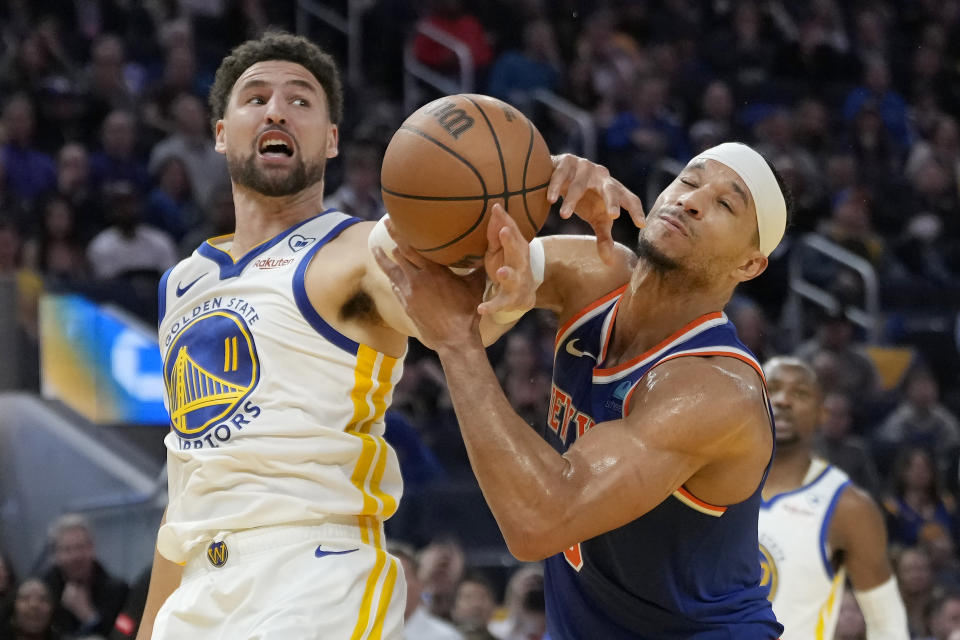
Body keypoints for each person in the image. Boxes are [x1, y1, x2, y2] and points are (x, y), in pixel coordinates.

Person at [137, 31, 628, 640]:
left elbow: (476, 283)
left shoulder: (360, 249)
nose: (276, 109)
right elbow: (187, 482)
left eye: (301, 100)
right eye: (255, 96)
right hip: (198, 593)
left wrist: (544, 190)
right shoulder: (183, 282)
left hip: (311, 580)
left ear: (332, 139)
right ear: (219, 131)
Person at [375, 141, 790, 637]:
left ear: (749, 265)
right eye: (689, 181)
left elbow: (538, 522)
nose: (693, 201)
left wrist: (460, 348)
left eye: (725, 204)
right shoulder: (593, 271)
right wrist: (525, 184)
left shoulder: (714, 389)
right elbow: (408, 272)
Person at [758, 357, 909, 639]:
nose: (783, 401)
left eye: (800, 393)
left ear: (822, 414)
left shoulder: (848, 507)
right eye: (772, 388)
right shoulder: (711, 487)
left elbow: (887, 625)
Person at [41, 514, 128, 638]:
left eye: (80, 547)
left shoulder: (118, 591)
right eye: (67, 550)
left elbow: (126, 632)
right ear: (56, 555)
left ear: (92, 548)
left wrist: (90, 616)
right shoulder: (43, 592)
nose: (75, 556)